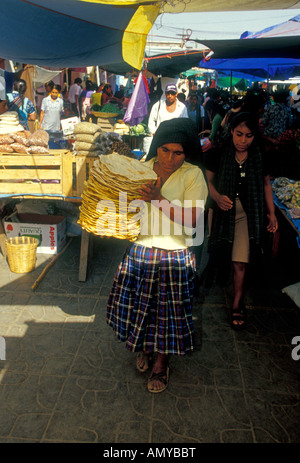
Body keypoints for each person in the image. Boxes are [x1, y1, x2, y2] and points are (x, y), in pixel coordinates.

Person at [106, 118, 208, 393]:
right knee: (143, 310)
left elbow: (192, 218)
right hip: (141, 250)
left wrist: (158, 200)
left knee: (167, 316)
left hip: (174, 255)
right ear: (156, 147)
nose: (171, 158)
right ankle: (145, 350)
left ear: (187, 153)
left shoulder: (192, 175)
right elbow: (124, 205)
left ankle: (161, 364)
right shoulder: (140, 168)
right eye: (165, 150)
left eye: (178, 152)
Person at [204, 112, 278, 330]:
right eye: (239, 134)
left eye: (248, 136)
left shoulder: (259, 155)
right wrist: (217, 197)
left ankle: (237, 302)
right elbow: (206, 180)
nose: (243, 141)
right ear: (231, 131)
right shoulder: (219, 151)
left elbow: (266, 185)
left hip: (248, 214)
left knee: (240, 261)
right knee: (220, 254)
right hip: (222, 213)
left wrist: (271, 213)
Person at [144, 83, 189, 155]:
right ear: (165, 93)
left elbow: (185, 124)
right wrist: (154, 132)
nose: (170, 96)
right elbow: (151, 121)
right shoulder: (158, 105)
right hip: (160, 139)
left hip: (175, 140)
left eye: (172, 93)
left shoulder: (182, 107)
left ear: (176, 94)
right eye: (168, 93)